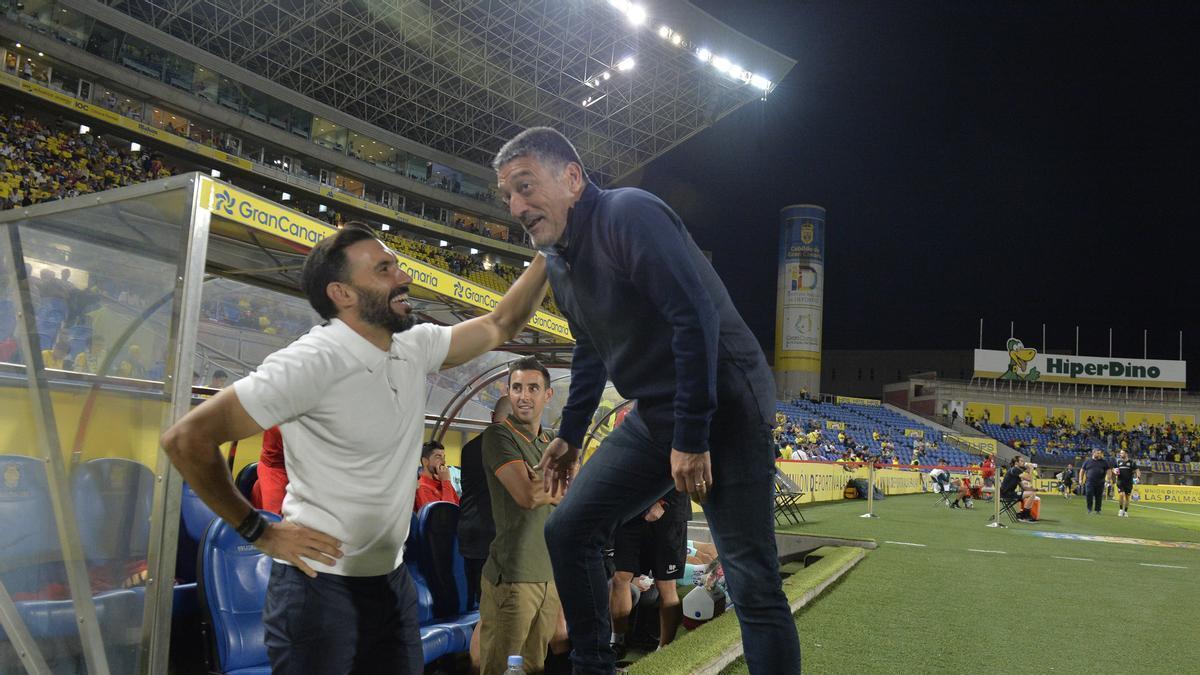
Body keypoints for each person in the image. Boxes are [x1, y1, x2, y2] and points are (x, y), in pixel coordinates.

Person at [160, 222, 549, 673]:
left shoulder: (414, 345)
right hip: (318, 592)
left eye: (397, 265)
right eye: (384, 269)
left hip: (391, 583)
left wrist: (549, 254)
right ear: (342, 293)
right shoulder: (311, 362)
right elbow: (186, 439)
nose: (403, 276)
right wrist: (258, 530)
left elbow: (502, 322)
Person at [493, 127, 799, 674]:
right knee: (570, 529)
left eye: (524, 185)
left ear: (571, 178)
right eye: (507, 196)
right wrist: (570, 432)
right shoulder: (558, 264)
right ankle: (595, 666)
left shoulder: (628, 214)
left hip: (724, 401)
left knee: (751, 579)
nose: (516, 205)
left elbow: (694, 316)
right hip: (657, 413)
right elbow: (590, 345)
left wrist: (692, 436)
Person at [479, 357, 561, 675]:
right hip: (513, 576)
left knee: (535, 666)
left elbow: (576, 490)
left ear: (548, 395)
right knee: (502, 668)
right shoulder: (500, 436)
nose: (523, 395)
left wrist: (547, 484)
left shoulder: (552, 440)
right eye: (517, 388)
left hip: (549, 575)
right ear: (508, 392)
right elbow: (526, 496)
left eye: (532, 388)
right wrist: (558, 484)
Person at [609, 489, 690, 658]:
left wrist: (662, 500)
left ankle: (665, 649)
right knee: (620, 577)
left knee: (666, 584)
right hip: (631, 510)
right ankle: (617, 641)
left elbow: (682, 465)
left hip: (669, 511)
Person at [414, 440, 459, 512]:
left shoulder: (442, 481)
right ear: (425, 461)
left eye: (443, 457)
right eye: (438, 457)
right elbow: (447, 514)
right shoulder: (421, 487)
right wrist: (446, 481)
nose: (444, 462)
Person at [999, 456, 1037, 522]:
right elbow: (1029, 479)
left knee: (1032, 493)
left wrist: (1037, 490)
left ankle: (1022, 514)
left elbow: (1024, 487)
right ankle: (1024, 515)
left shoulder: (1015, 470)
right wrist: (1031, 469)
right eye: (1021, 461)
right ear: (1016, 463)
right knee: (1032, 494)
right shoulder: (1015, 469)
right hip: (1007, 494)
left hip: (1007, 493)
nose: (1023, 462)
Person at [1079, 449, 1113, 515]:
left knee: (1099, 496)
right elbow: (1082, 471)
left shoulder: (1104, 462)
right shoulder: (1087, 461)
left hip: (1100, 482)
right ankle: (1089, 508)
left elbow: (1109, 470)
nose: (1099, 454)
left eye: (1100, 453)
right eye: (1098, 453)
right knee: (1089, 494)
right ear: (1093, 453)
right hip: (1089, 482)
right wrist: (1080, 479)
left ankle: (1098, 510)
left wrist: (1108, 479)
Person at [1113, 450, 1140, 517]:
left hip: (1128, 482)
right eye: (1120, 453)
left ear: (1126, 454)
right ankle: (1120, 510)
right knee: (1121, 495)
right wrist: (1114, 471)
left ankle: (1125, 511)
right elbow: (1113, 469)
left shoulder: (1132, 462)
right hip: (1120, 481)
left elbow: (1137, 470)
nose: (1120, 454)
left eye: (1122, 453)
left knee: (1127, 497)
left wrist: (1138, 477)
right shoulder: (1118, 461)